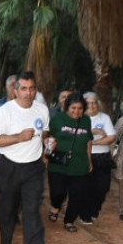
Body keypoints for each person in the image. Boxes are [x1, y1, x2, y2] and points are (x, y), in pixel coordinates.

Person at [0, 71, 49, 244]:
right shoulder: (5, 111)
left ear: (36, 90)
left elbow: (44, 132)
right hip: (9, 165)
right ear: (15, 90)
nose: (28, 93)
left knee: (31, 209)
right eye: (23, 88)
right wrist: (18, 137)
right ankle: (6, 240)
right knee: (7, 209)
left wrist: (48, 143)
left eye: (31, 89)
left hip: (33, 167)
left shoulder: (42, 110)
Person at [46, 92, 93, 231]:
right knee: (57, 192)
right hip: (58, 163)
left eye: (79, 108)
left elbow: (89, 140)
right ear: (67, 107)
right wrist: (46, 156)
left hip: (79, 164)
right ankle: (55, 206)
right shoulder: (57, 119)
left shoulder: (86, 121)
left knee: (77, 194)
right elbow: (49, 138)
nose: (76, 111)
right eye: (73, 108)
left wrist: (89, 160)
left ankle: (69, 221)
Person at [84, 92, 116, 219]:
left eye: (94, 102)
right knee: (87, 187)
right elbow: (78, 136)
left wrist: (92, 142)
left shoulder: (104, 118)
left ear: (98, 104)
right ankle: (86, 212)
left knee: (103, 187)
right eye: (88, 103)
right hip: (86, 156)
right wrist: (94, 132)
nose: (91, 105)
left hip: (103, 157)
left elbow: (111, 137)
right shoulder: (80, 118)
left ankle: (95, 207)